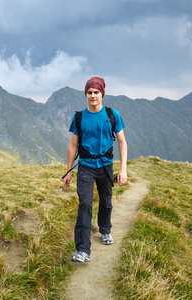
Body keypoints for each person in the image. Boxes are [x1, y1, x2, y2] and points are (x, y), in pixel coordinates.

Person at [63, 76, 127, 263]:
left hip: (106, 166)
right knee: (85, 205)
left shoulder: (112, 115)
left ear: (102, 94)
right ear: (86, 94)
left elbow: (122, 142)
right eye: (89, 93)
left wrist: (123, 169)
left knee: (106, 202)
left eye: (96, 92)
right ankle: (83, 251)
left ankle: (105, 229)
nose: (92, 96)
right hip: (86, 167)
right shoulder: (79, 117)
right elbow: (73, 145)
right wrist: (68, 171)